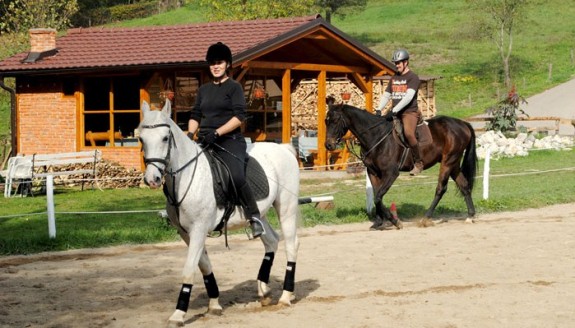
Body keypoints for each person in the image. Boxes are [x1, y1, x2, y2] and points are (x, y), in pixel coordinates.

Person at [187, 42, 265, 238]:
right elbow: (195, 115)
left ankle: (254, 217)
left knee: (237, 176)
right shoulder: (203, 90)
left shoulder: (234, 87)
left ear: (227, 64)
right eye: (212, 63)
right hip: (205, 140)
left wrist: (218, 132)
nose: (215, 66)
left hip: (229, 140)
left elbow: (239, 117)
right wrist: (189, 135)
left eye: (219, 62)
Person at [377, 49, 423, 176]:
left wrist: (394, 110)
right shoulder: (394, 77)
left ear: (406, 62)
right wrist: (379, 109)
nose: (397, 65)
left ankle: (418, 163)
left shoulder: (413, 78)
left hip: (409, 112)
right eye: (396, 63)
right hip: (394, 112)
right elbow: (387, 95)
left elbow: (408, 97)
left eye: (399, 63)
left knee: (408, 133)